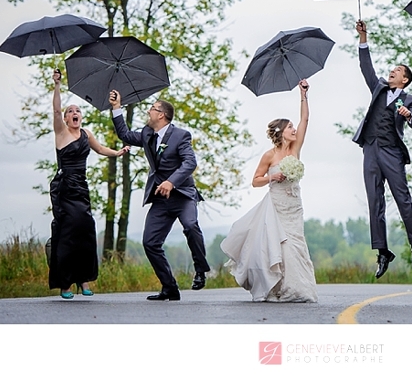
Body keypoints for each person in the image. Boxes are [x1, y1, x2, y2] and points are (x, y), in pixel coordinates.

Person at [109, 89, 210, 301]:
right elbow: (125, 135)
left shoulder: (181, 135)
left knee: (191, 226)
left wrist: (171, 182)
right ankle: (169, 287)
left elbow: (190, 163)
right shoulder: (147, 134)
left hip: (182, 195)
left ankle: (200, 270)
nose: (148, 111)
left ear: (161, 114)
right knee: (150, 242)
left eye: (152, 109)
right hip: (161, 200)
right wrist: (117, 108)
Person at [221, 80, 317, 302]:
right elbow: (255, 181)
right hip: (276, 206)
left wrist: (303, 95)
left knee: (296, 246)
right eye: (290, 127)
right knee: (278, 246)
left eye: (293, 127)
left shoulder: (296, 148)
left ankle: (297, 289)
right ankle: (277, 288)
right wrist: (272, 177)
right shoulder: (269, 156)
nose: (294, 129)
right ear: (282, 132)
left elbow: (306, 119)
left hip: (294, 206)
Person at [49, 69, 130, 300]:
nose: (74, 113)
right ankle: (65, 285)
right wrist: (57, 85)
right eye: (70, 111)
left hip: (81, 189)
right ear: (65, 118)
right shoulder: (61, 133)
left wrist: (118, 151)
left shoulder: (86, 133)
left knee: (85, 231)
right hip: (65, 188)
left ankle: (83, 280)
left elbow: (101, 149)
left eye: (77, 110)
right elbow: (55, 109)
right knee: (67, 233)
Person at [353, 20, 412, 279]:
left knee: (403, 199)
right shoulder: (379, 88)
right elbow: (365, 67)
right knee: (375, 201)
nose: (391, 72)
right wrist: (363, 37)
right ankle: (382, 252)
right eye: (391, 70)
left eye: (397, 71)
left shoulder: (410, 100)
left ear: (405, 79)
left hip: (392, 152)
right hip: (370, 149)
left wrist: (407, 116)